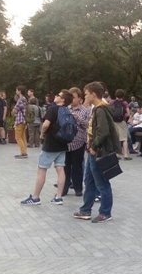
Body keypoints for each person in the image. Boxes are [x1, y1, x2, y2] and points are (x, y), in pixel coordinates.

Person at [74, 82, 120, 223]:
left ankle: (105, 213)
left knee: (102, 183)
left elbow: (103, 131)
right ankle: (85, 210)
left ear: (93, 94)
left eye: (86, 94)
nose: (85, 97)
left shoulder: (101, 110)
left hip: (98, 151)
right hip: (93, 151)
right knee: (89, 181)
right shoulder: (98, 109)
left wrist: (94, 146)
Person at [20, 90, 73, 206]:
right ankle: (58, 197)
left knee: (42, 169)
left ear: (63, 99)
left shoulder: (53, 109)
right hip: (62, 144)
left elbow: (45, 124)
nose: (56, 96)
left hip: (51, 144)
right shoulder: (67, 110)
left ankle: (35, 197)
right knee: (60, 169)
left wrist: (42, 134)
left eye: (58, 95)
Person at [62, 87, 90, 197]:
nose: (71, 99)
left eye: (73, 97)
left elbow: (87, 125)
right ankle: (64, 188)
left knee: (77, 166)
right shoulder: (65, 109)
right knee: (65, 166)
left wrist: (77, 118)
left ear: (79, 98)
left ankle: (78, 188)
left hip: (78, 142)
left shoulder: (85, 110)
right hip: (65, 142)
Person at [13, 86, 28, 158]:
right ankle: (24, 152)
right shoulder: (25, 99)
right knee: (23, 137)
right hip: (24, 120)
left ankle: (23, 153)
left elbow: (15, 110)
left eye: (16, 90)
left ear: (20, 91)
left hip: (20, 119)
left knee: (18, 137)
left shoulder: (20, 99)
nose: (16, 91)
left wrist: (14, 111)